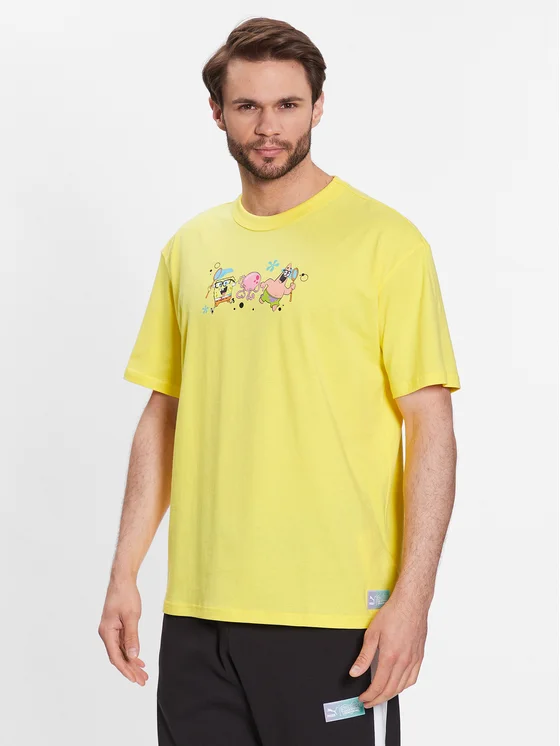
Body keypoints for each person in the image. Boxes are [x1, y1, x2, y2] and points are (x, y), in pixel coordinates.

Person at [98, 16, 461, 746]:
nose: (269, 127)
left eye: (288, 104)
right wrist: (123, 571)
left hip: (335, 615)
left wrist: (413, 599)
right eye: (248, 106)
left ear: (318, 106)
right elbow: (163, 415)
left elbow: (430, 427)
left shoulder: (386, 242)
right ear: (217, 113)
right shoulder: (191, 249)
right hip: (199, 614)